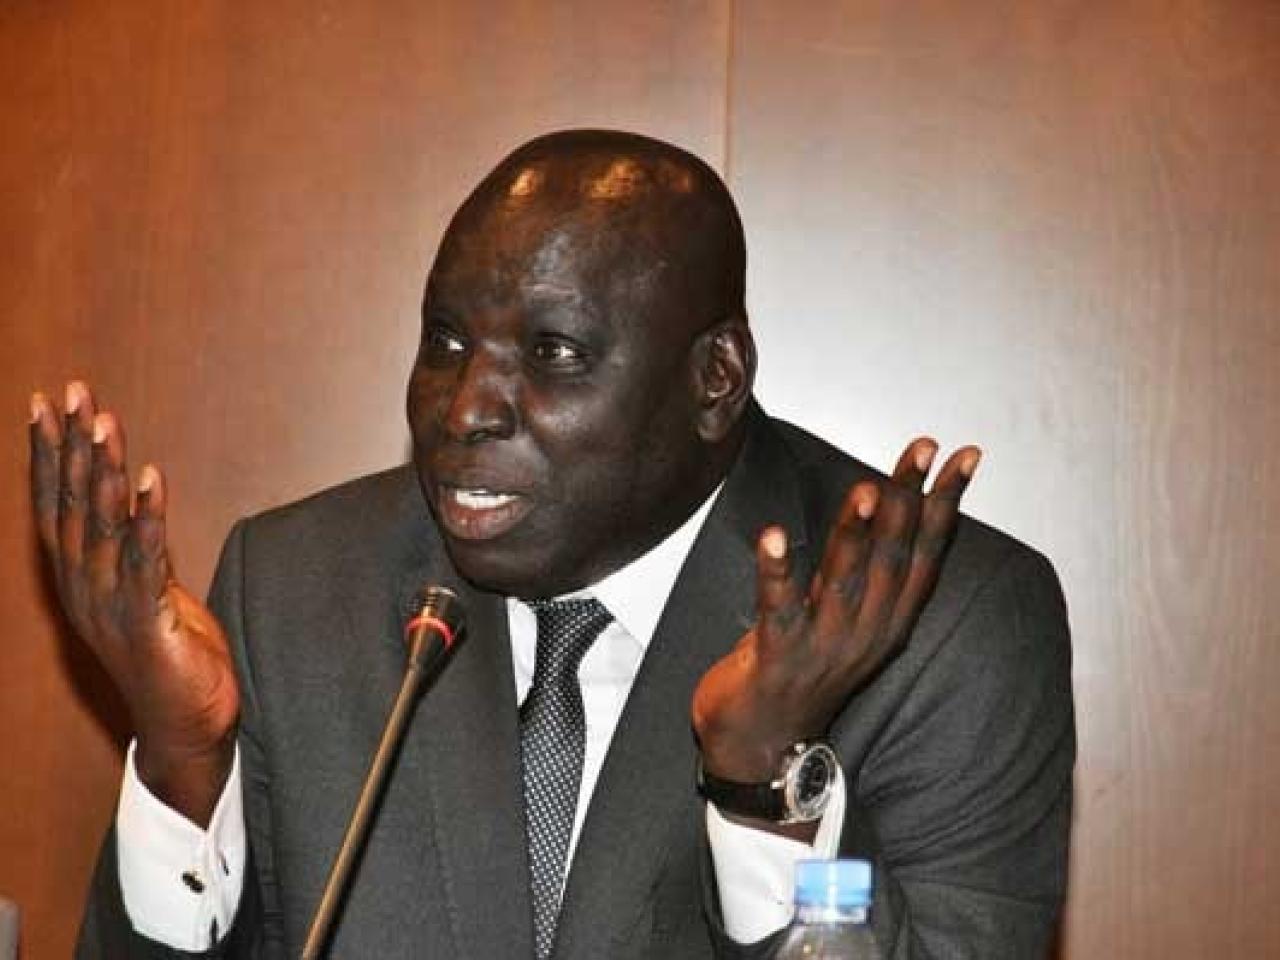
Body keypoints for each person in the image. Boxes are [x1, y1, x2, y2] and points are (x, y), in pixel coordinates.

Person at [29, 129, 1074, 958]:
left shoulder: (942, 627)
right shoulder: (297, 589)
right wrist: (183, 762)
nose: (464, 409)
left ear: (715, 379)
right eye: (446, 342)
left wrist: (762, 789)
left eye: (553, 353)